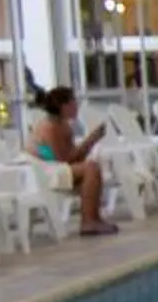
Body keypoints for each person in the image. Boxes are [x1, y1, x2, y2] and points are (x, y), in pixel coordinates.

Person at [28, 85, 118, 237]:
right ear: (64, 106)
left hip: (53, 165)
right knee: (91, 168)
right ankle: (88, 221)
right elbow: (63, 160)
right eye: (73, 102)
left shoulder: (62, 125)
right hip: (42, 170)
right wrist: (90, 141)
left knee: (92, 167)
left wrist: (92, 141)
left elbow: (72, 158)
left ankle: (94, 218)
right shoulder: (50, 127)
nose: (76, 106)